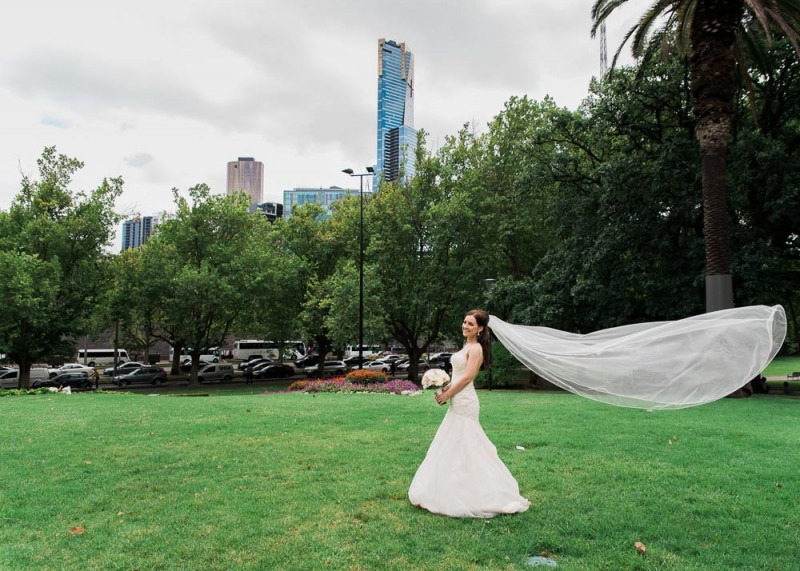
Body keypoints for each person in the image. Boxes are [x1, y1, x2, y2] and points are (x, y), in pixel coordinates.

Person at [408, 309, 530, 518]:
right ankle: (447, 489)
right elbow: (458, 376)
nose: (465, 326)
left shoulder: (476, 349)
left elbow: (467, 378)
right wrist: (444, 388)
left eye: (470, 324)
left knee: (468, 442)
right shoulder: (467, 346)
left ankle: (479, 493)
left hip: (466, 401)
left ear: (480, 328)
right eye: (464, 322)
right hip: (457, 397)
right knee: (453, 442)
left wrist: (447, 395)